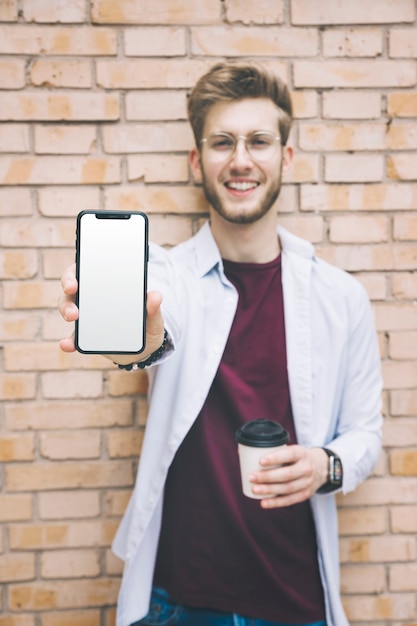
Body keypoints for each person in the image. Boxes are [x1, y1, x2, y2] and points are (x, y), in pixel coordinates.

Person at [59, 60, 383, 626]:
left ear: (284, 157)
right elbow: (152, 333)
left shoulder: (342, 298)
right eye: (222, 142)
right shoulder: (167, 275)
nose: (240, 159)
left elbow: (366, 435)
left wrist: (324, 466)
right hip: (177, 602)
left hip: (296, 602)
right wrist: (137, 339)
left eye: (258, 141)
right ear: (197, 159)